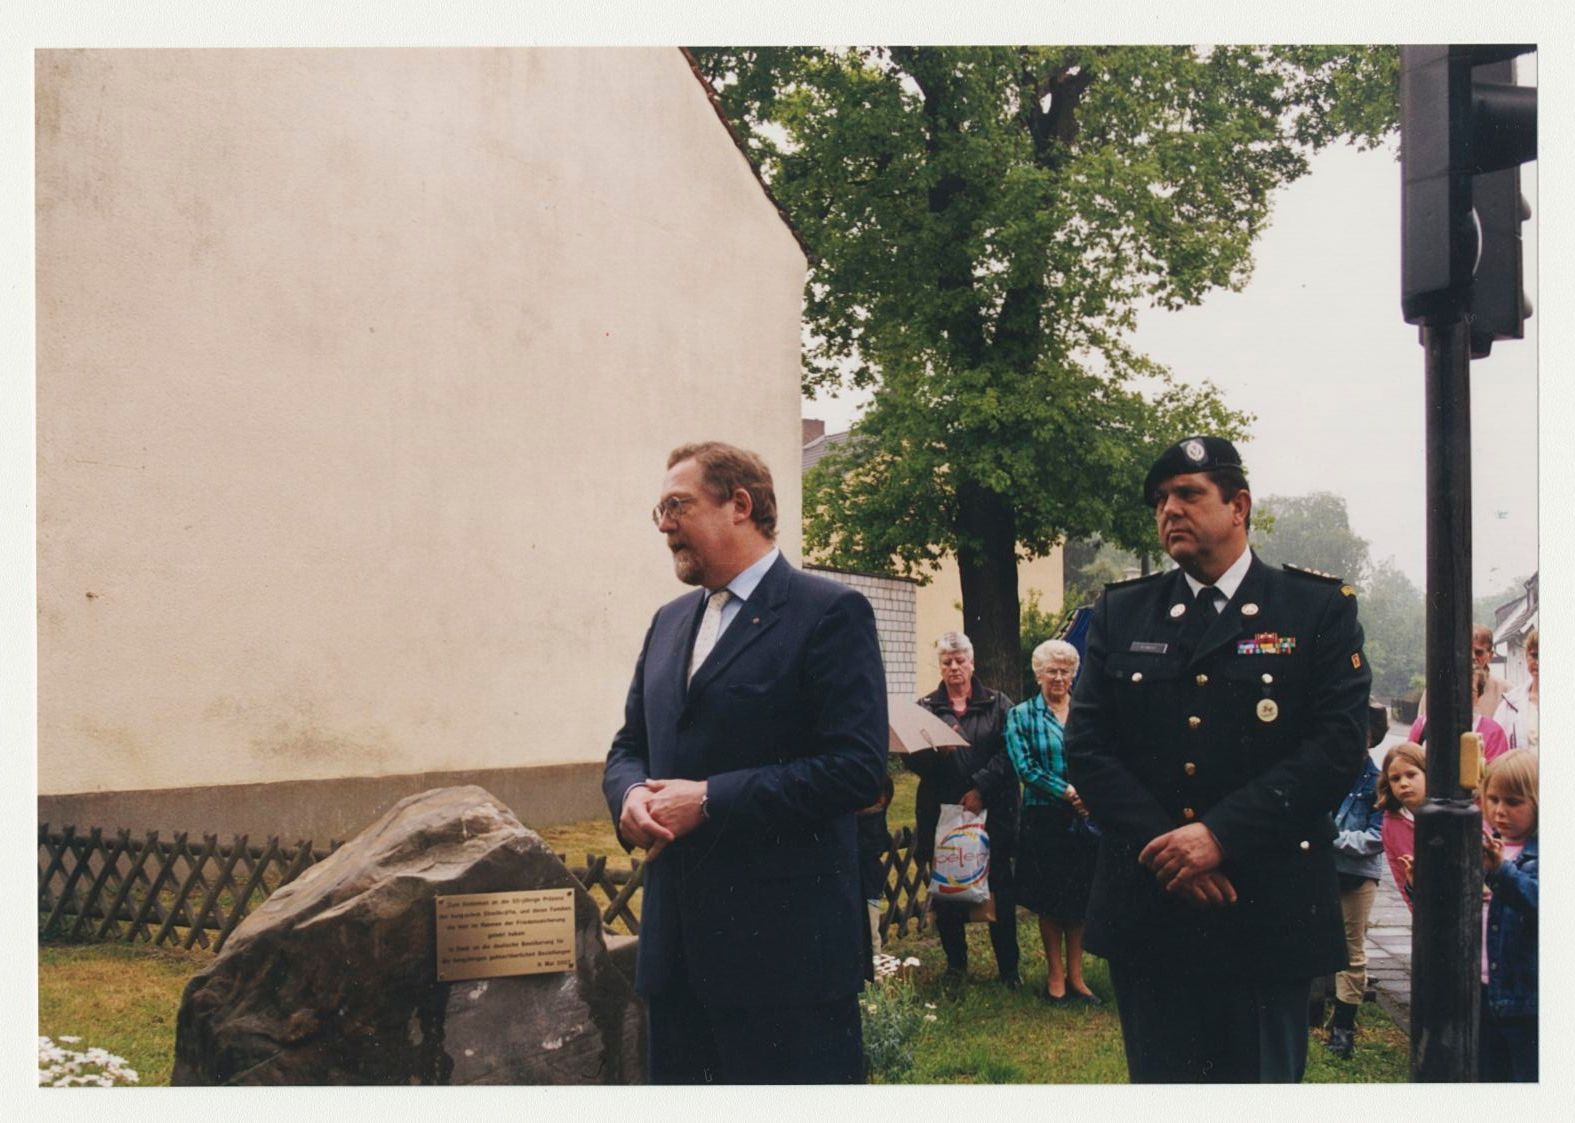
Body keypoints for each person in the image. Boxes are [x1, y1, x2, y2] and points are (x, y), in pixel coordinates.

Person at [1066, 435, 1370, 1083]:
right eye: (1160, 499)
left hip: (1264, 908)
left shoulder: (1314, 609)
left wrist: (1219, 835)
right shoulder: (1122, 611)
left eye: (1188, 494)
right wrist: (1171, 849)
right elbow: (1087, 747)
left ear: (1238, 506)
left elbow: (1336, 746)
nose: (1169, 510)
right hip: (1153, 907)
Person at [602, 441, 888, 1084]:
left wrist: (709, 800)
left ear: (739, 505)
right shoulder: (668, 622)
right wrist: (629, 797)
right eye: (659, 510)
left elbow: (856, 768)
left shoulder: (829, 612)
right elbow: (629, 746)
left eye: (678, 506)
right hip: (675, 958)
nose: (664, 525)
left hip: (786, 964)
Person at [908, 632, 1021, 990]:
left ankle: (1009, 970)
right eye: (947, 662)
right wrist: (933, 754)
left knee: (1000, 892)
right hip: (944, 815)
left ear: (972, 663)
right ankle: (956, 968)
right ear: (940, 667)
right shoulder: (926, 708)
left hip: (991, 812)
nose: (954, 667)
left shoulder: (998, 704)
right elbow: (912, 761)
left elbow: (1011, 751)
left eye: (960, 660)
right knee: (948, 895)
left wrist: (981, 788)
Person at [1004, 639, 1100, 1005]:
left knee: (1079, 900)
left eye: (1065, 671)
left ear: (1074, 674)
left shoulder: (1086, 712)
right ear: (1038, 674)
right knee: (1050, 900)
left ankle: (1077, 976)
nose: (1058, 678)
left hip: (1086, 818)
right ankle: (1055, 976)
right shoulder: (1021, 715)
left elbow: (1099, 756)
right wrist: (1068, 792)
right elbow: (1025, 768)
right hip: (1044, 816)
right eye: (1051, 671)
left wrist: (1090, 795)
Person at [1321, 701, 1390, 1059]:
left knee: (1352, 948)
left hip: (1358, 874)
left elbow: (1377, 837)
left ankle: (1344, 1027)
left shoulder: (1379, 781)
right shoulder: (1327, 772)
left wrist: (1332, 838)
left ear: (1371, 737)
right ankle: (1319, 1009)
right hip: (1325, 868)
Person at [1479, 750, 1538, 1082]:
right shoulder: (1487, 847)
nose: (1500, 811)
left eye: (1513, 802)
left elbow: (1536, 899)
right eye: (1493, 799)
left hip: (1525, 998)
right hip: (1484, 988)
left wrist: (1501, 872)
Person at [1408, 668, 1509, 762]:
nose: (1459, 695)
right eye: (1453, 687)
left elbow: (1496, 772)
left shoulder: (1493, 733)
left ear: (1478, 697)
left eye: (1469, 690)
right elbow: (1408, 763)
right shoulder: (1422, 725)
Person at [1418, 624, 1509, 719]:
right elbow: (1422, 724)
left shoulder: (1506, 692)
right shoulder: (1436, 690)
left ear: (1490, 655)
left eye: (1478, 652)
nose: (1472, 657)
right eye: (1466, 651)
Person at [1376, 741, 1427, 910]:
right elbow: (1400, 875)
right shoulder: (1391, 823)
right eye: (1395, 779)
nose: (1403, 783)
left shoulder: (1450, 811)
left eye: (1411, 775)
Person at [1493, 628, 1539, 752]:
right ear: (1526, 655)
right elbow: (1496, 747)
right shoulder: (1510, 703)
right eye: (1534, 655)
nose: (1538, 662)